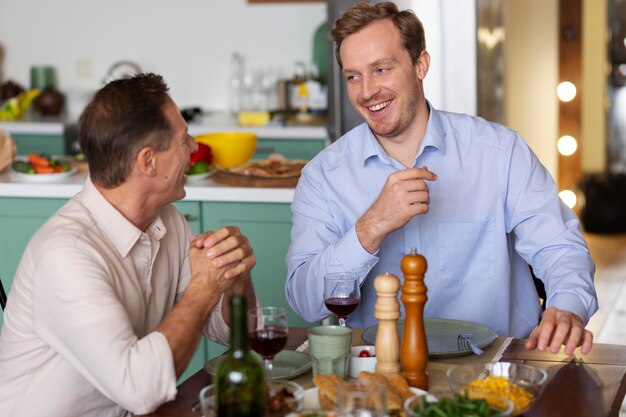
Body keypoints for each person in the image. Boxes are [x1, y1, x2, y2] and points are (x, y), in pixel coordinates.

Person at [285, 1, 598, 356]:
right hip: (379, 377)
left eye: (381, 69)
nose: (366, 91)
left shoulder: (499, 151)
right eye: (353, 76)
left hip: (495, 371)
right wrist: (370, 228)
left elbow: (559, 247)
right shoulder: (322, 177)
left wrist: (568, 307)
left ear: (421, 65)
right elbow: (305, 301)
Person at [0, 73, 258, 417]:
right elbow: (141, 389)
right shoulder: (66, 254)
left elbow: (229, 331)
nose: (195, 148)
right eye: (184, 139)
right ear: (148, 161)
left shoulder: (168, 220)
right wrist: (205, 286)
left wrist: (233, 275)